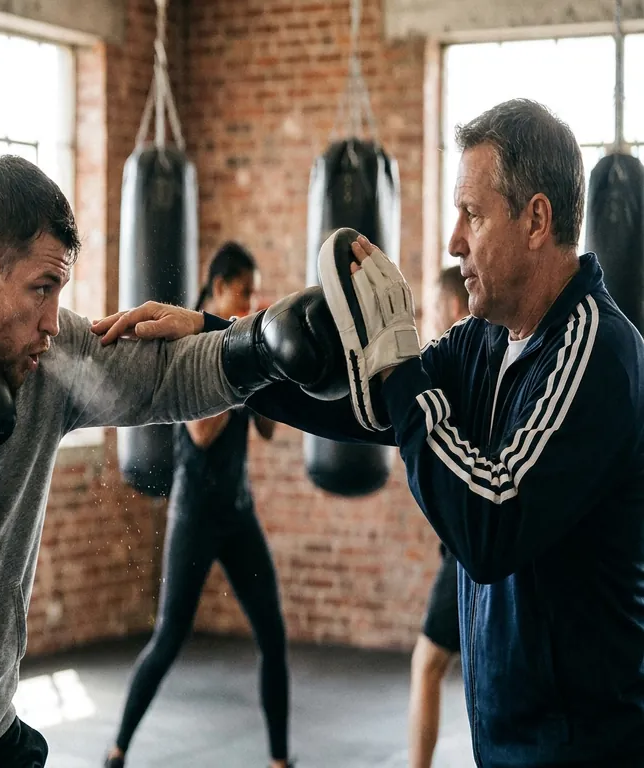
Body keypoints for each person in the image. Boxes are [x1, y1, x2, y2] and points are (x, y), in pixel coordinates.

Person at [95, 99, 644, 766]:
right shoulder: (485, 344)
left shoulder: (594, 351)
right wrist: (218, 338)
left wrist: (402, 365)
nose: (453, 242)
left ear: (536, 220)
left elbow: (492, 523)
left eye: (472, 214)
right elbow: (363, 404)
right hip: (509, 740)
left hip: (588, 750)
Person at [0, 155, 347, 768]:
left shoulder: (46, 356)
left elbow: (162, 379)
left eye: (60, 293)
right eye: (41, 289)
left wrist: (255, 347)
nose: (54, 323)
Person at [103, 243, 292, 768]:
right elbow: (204, 432)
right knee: (169, 637)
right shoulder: (195, 340)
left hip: (238, 511)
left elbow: (271, 430)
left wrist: (266, 363)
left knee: (273, 636)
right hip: (195, 513)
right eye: (245, 290)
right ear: (218, 286)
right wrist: (236, 357)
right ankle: (118, 749)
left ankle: (279, 760)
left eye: (255, 292)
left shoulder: (241, 338)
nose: (251, 299)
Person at [407, 265, 469, 768]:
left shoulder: (459, 364)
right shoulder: (475, 360)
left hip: (472, 547)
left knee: (427, 664)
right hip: (463, 544)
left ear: (453, 310)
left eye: (433, 309)